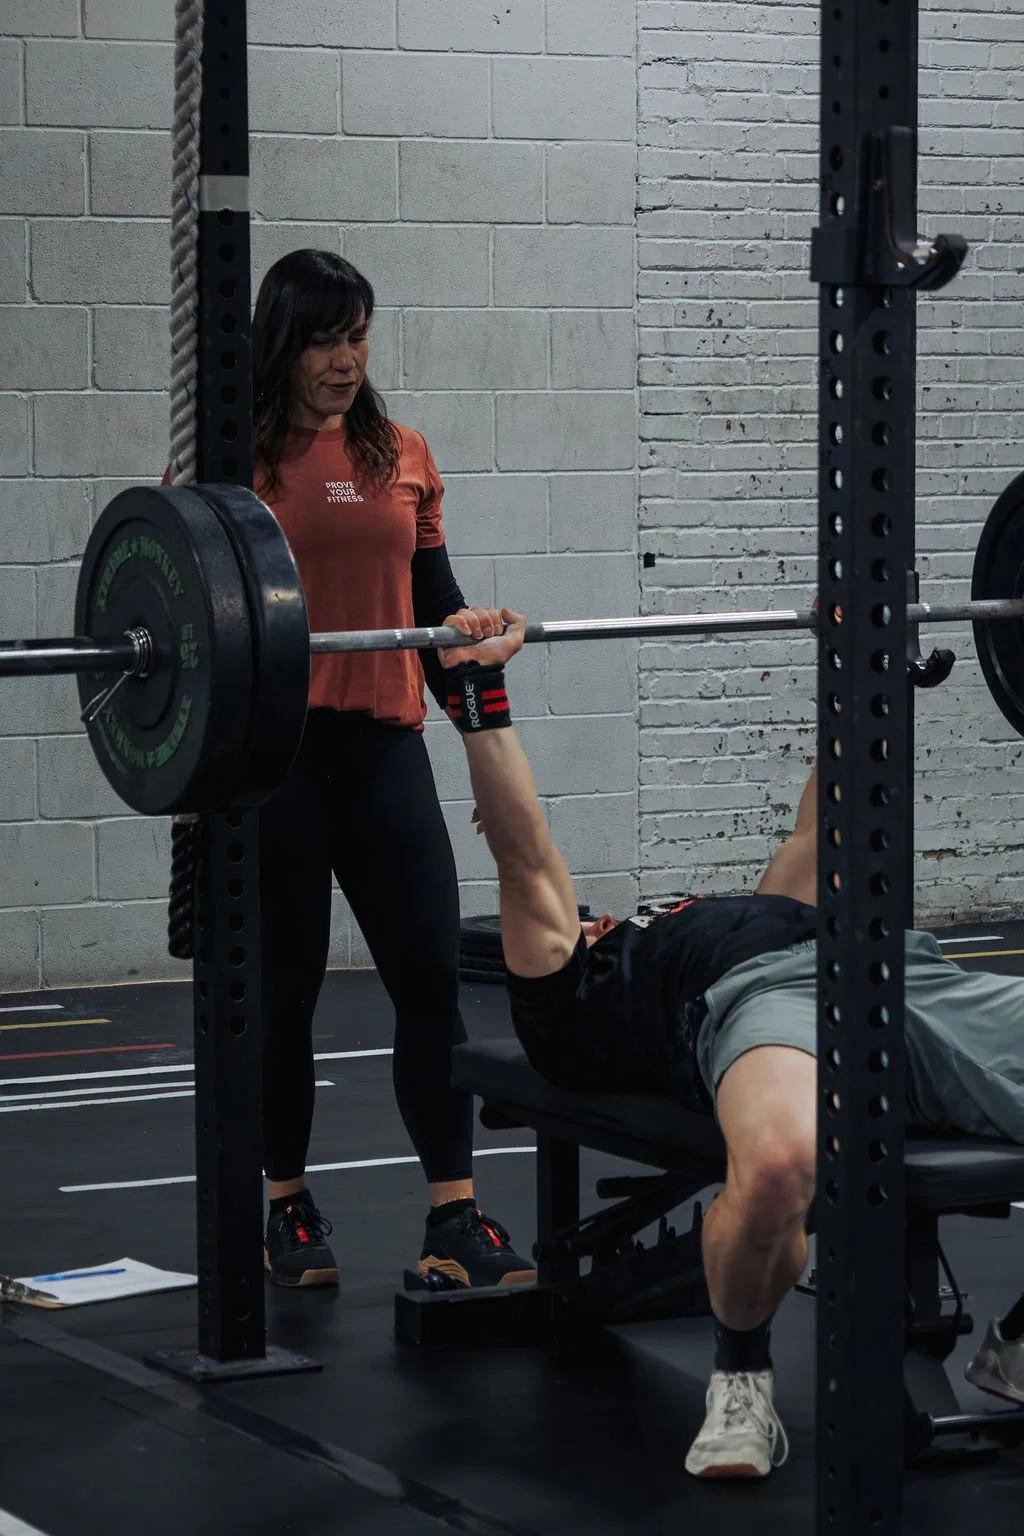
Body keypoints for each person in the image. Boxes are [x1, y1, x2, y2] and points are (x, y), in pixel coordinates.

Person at [434, 603, 1024, 1479]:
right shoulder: (571, 988)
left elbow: (819, 821)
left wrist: (860, 665)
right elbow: (524, 856)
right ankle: (741, 1380)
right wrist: (480, 686)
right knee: (784, 1166)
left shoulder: (737, 908)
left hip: (892, 972)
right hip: (762, 1006)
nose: (590, 911)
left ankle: (1015, 1349)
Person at [244, 251, 533, 1291]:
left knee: (428, 987)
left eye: (358, 335)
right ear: (281, 340)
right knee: (284, 994)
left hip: (382, 753)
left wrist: (474, 643)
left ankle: (452, 1217)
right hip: (274, 767)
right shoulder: (235, 456)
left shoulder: (399, 450)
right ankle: (285, 1204)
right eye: (325, 338)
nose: (344, 358)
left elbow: (433, 607)